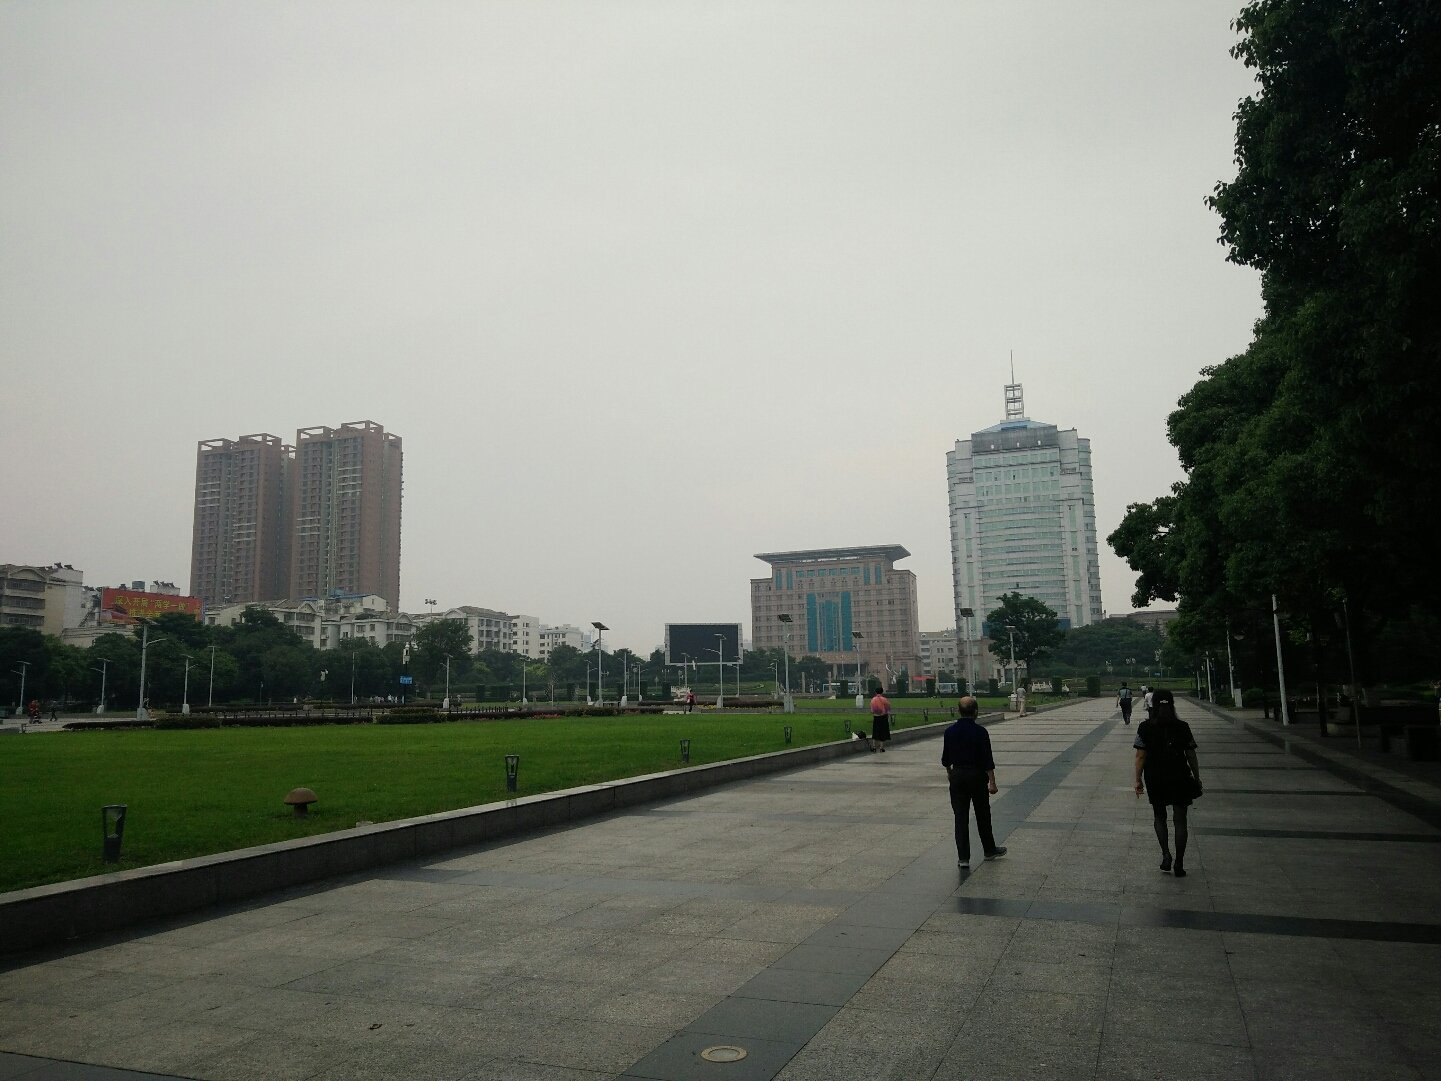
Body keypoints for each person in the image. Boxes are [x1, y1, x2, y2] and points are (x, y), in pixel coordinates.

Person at [1133, 688, 1202, 877]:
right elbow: (1191, 754)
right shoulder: (1183, 727)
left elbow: (1140, 756)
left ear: (1153, 704)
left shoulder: (1144, 727)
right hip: (1180, 776)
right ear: (1172, 704)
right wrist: (1197, 777)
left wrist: (1138, 780)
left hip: (1155, 777)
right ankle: (1179, 863)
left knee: (1159, 817)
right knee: (1180, 820)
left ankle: (1166, 855)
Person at [941, 695, 1008, 868]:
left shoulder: (949, 732)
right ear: (976, 712)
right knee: (983, 814)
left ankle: (963, 858)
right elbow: (987, 759)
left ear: (959, 711)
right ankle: (989, 850)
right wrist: (992, 782)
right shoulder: (981, 732)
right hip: (977, 776)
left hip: (958, 776)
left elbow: (946, 759)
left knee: (960, 817)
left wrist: (950, 774)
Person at [869, 687, 892, 752]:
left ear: (875, 692)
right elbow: (888, 708)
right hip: (883, 717)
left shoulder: (873, 700)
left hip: (876, 717)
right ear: (882, 692)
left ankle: (874, 747)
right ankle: (881, 747)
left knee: (875, 731)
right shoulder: (884, 699)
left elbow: (872, 710)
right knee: (882, 731)